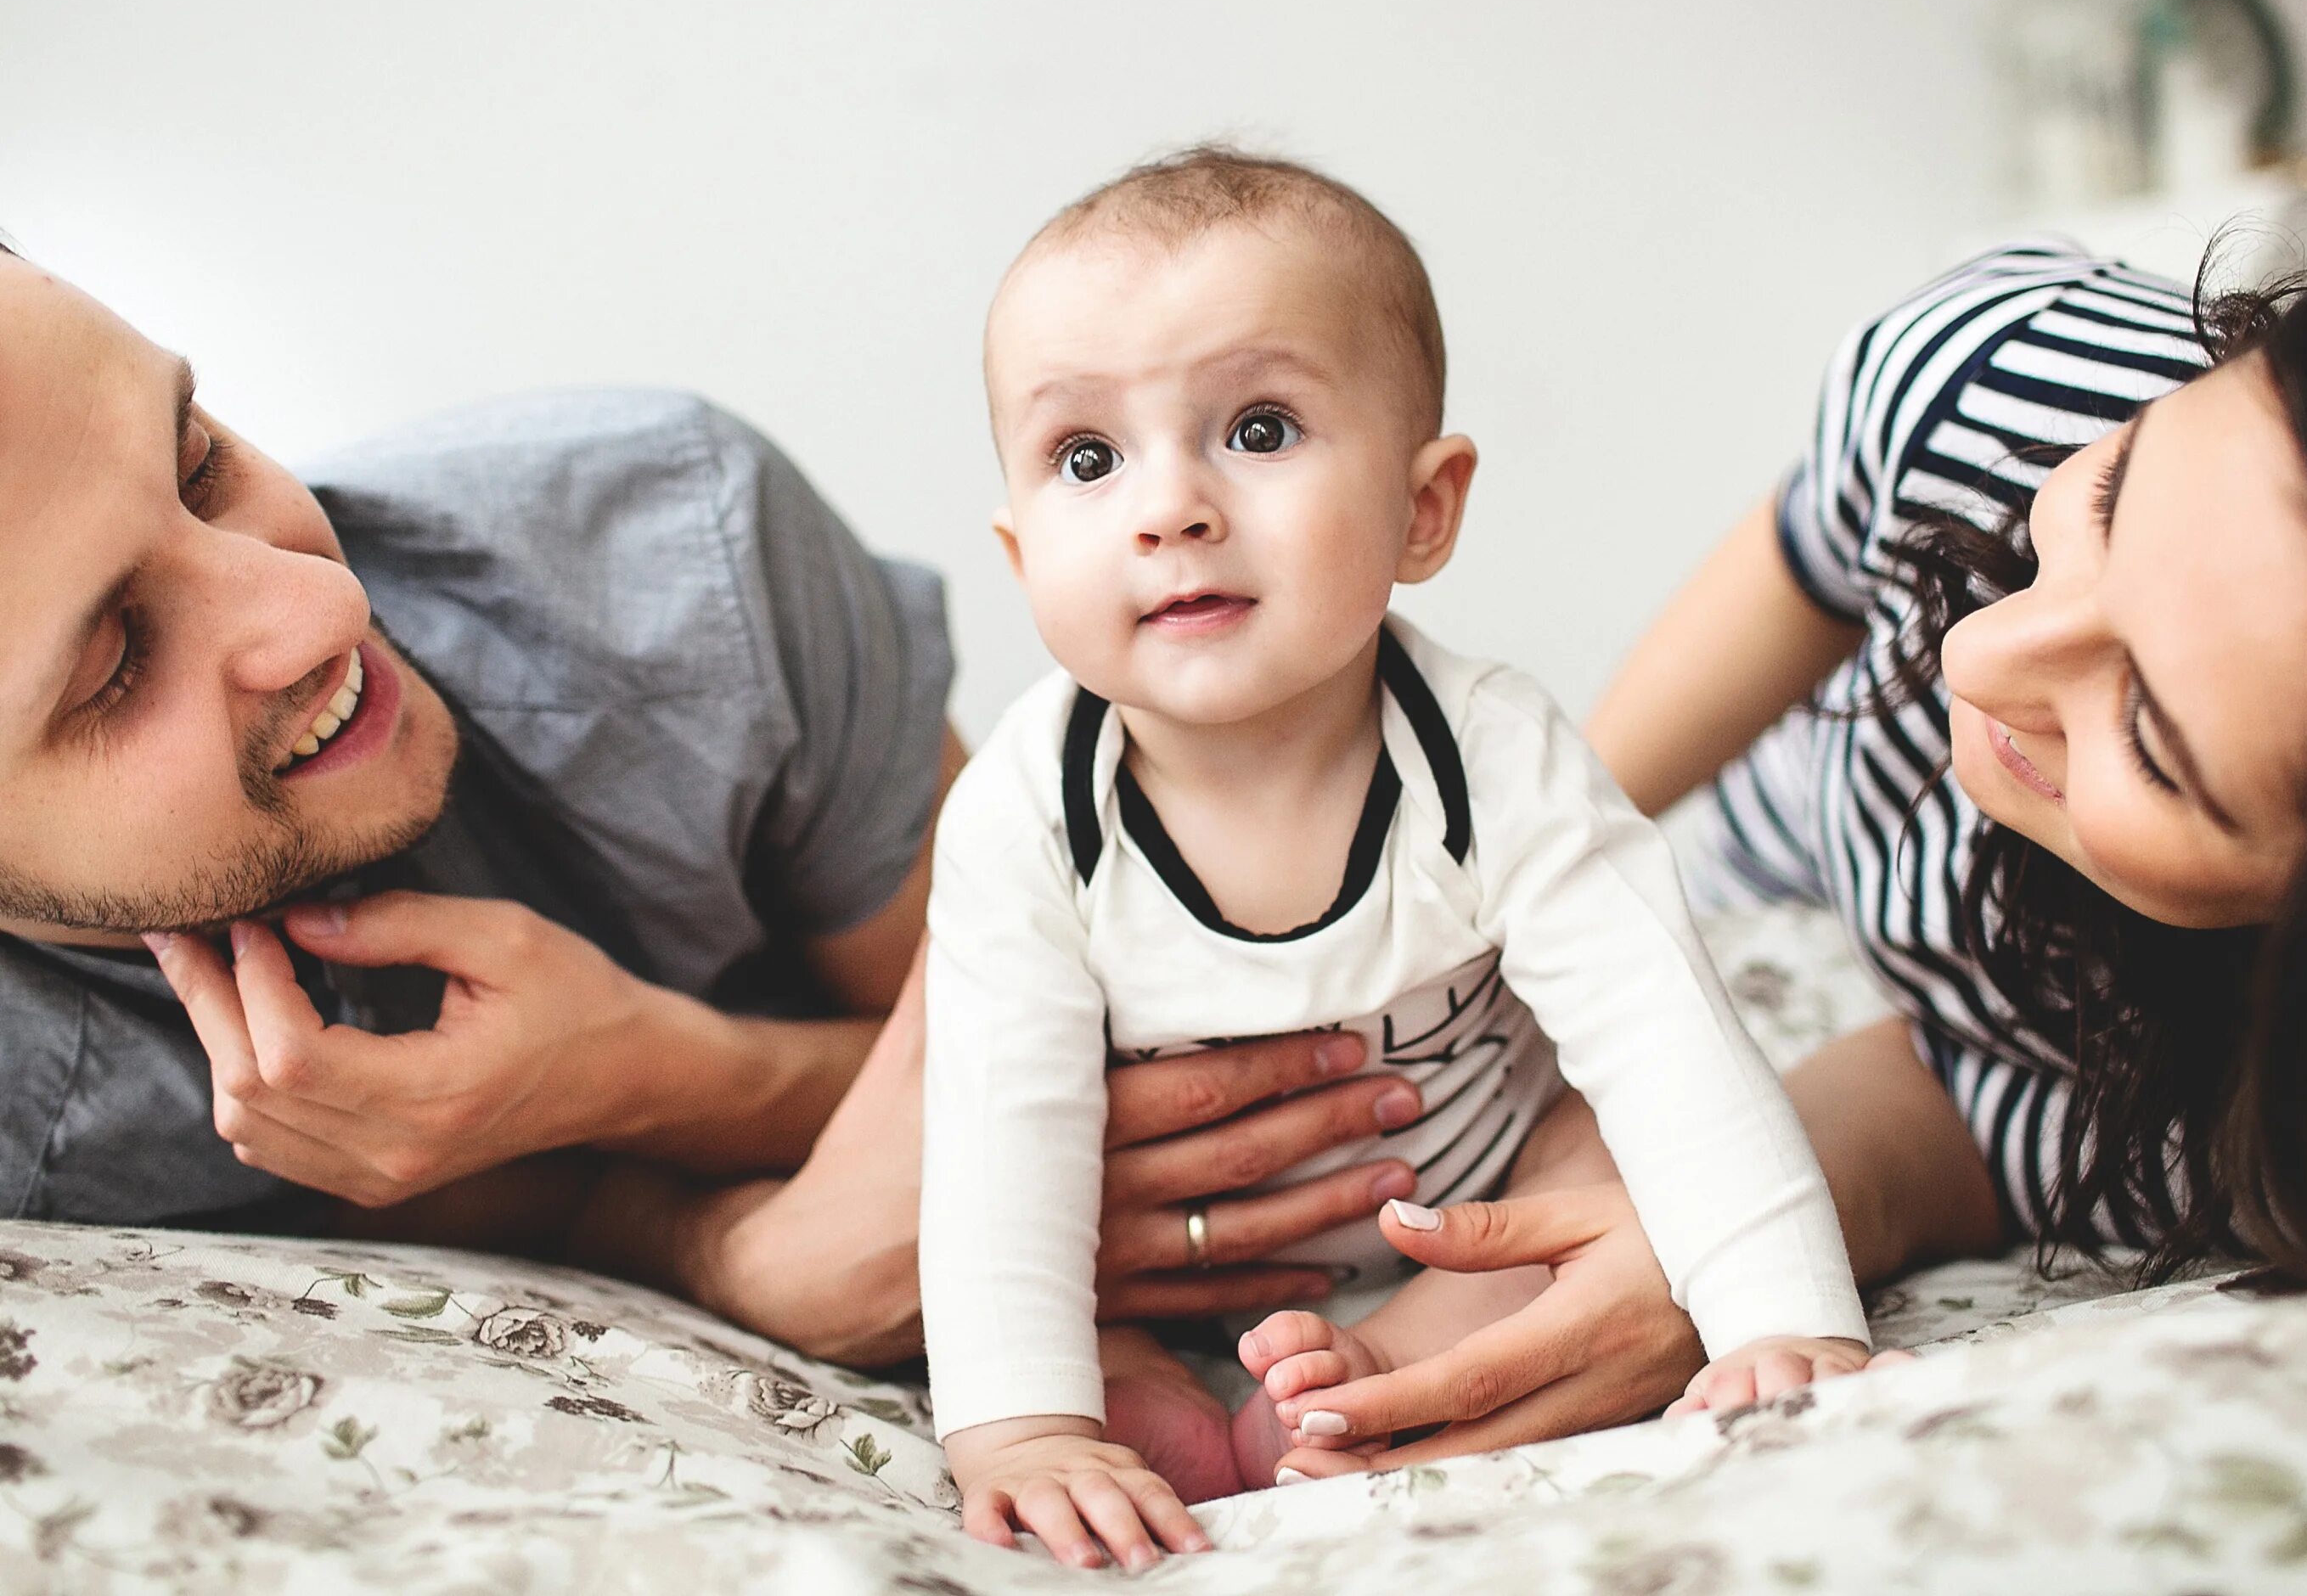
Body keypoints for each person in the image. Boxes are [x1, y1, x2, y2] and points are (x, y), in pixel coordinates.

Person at [1249, 177, 2307, 1481]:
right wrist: (1495, 897)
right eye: (2107, 504)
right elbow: (1804, 563)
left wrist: (1739, 1234)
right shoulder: (2004, 387)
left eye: (2149, 741)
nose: (1980, 657)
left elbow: (1961, 1114)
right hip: (1780, 839)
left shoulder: (2279, 1127)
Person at [0, 238, 1437, 1365]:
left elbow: (1132, 1056)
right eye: (117, 660)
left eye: (202, 461)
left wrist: (650, 1074)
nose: (321, 603)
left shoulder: (672, 562)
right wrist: (720, 1252)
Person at [917, 148, 1868, 1567]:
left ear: (1425, 509)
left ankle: (1381, 1379)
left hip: (1462, 1209)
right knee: (1056, 1289)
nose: (1166, 506)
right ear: (1018, 554)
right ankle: (1169, 1392)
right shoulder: (1024, 816)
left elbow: (1665, 1033)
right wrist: (1021, 1427)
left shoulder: (1491, 755)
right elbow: (1001, 1141)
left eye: (1257, 428)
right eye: (1088, 458)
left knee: (1615, 1169)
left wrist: (1789, 1325)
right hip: (1182, 1265)